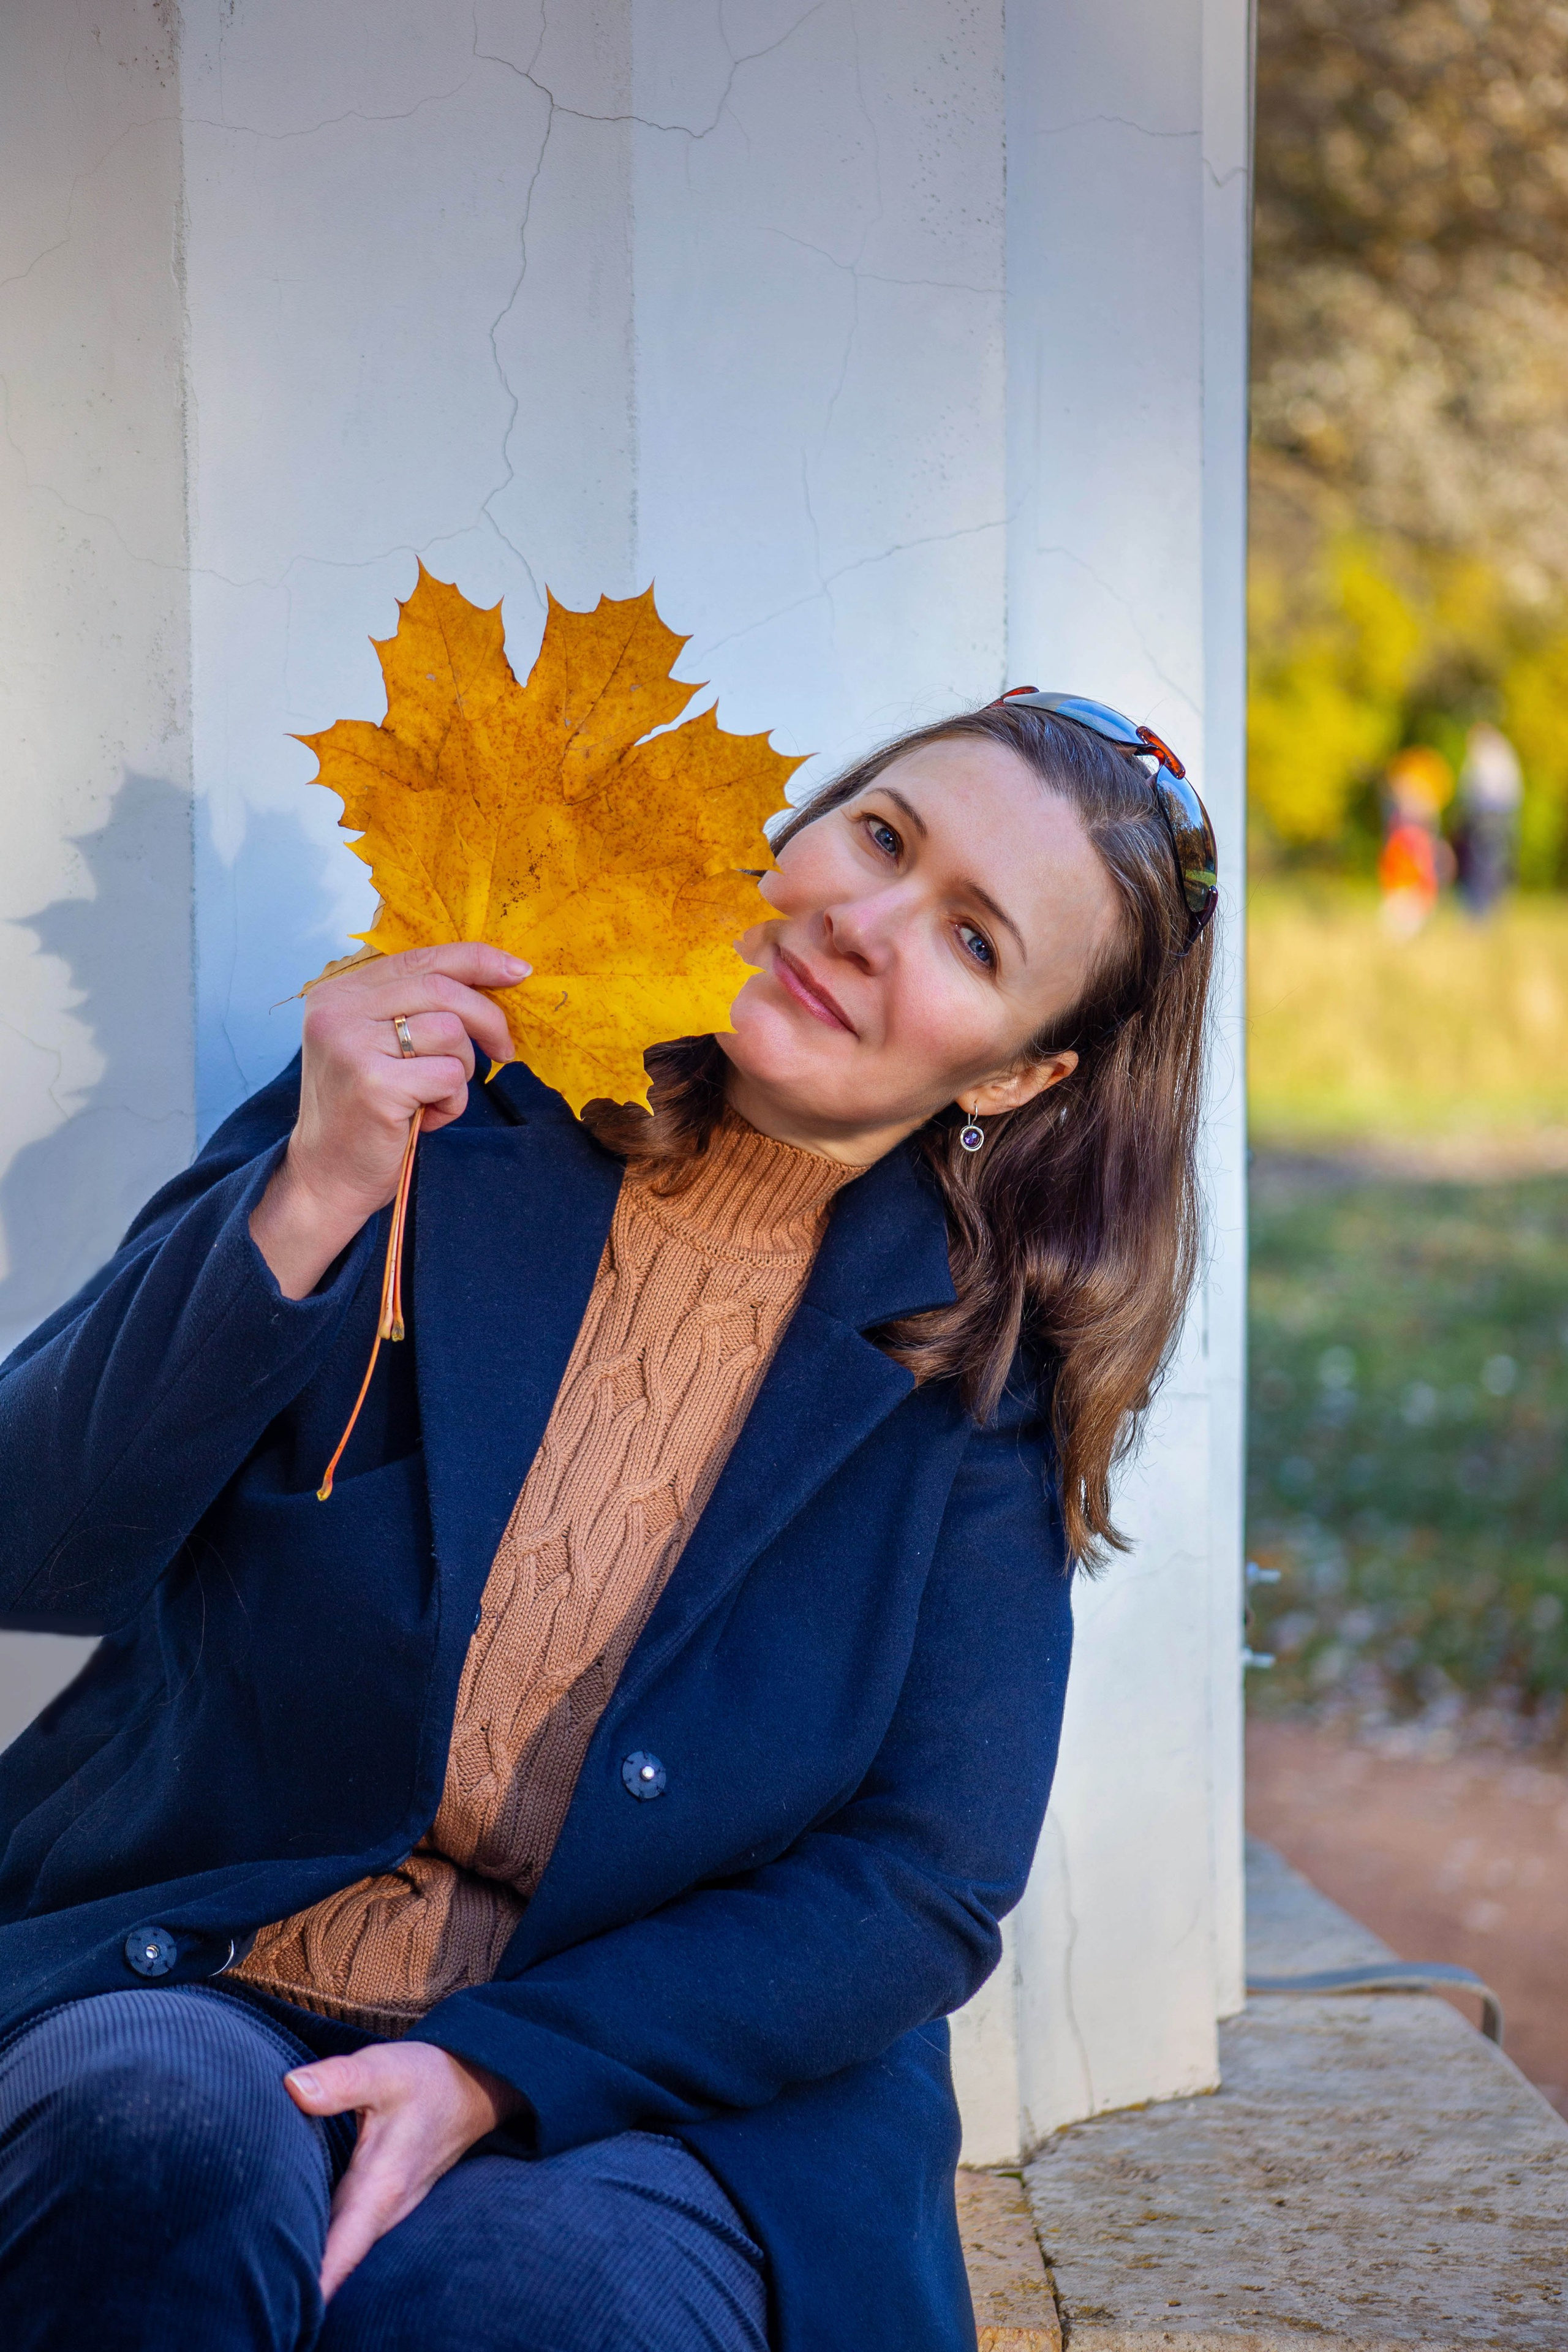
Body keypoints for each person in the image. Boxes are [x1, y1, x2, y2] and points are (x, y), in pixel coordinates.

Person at [0, 690, 1216, 2352]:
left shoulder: (971, 1380)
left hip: (662, 2095)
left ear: (1015, 1069)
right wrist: (319, 1185)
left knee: (538, 2302)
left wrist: (500, 2067)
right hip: (213, 1967)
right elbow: (36, 1544)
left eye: (972, 938)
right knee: (159, 2143)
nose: (863, 924)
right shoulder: (437, 1116)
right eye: (879, 835)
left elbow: (921, 1878)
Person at [1452, 721, 1523, 918]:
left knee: (1486, 862)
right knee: (1484, 862)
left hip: (1490, 815)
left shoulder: (1490, 756)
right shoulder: (1498, 754)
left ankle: (1483, 910)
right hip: (1490, 816)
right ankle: (1483, 908)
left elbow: (1482, 792)